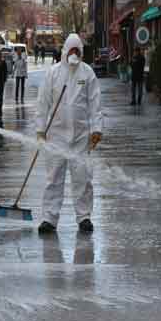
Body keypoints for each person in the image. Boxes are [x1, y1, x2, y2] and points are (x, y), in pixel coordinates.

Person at [36, 33, 103, 234]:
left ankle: (84, 217)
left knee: (82, 177)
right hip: (56, 135)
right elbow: (43, 103)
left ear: (81, 52)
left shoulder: (87, 73)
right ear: (65, 51)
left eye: (78, 51)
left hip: (81, 136)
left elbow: (95, 103)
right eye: (71, 50)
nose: (74, 54)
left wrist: (97, 129)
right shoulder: (54, 73)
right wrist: (40, 129)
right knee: (53, 178)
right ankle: (49, 217)